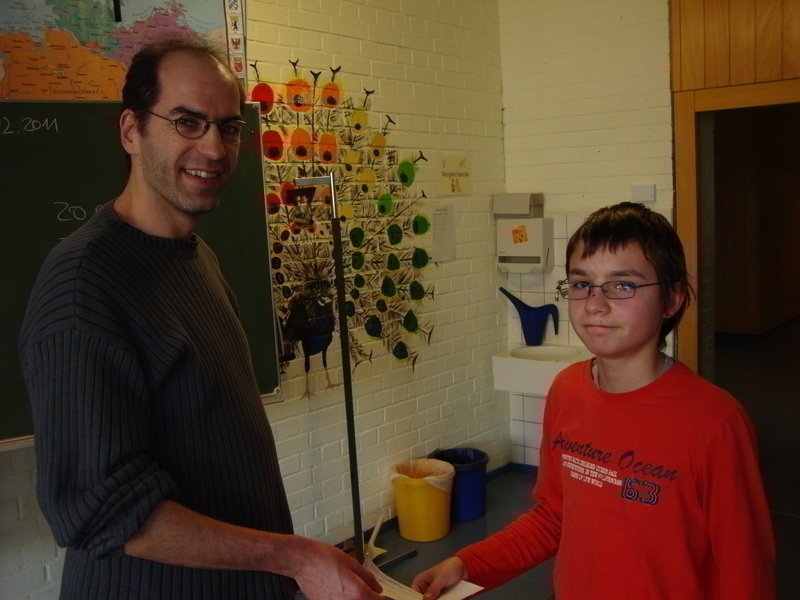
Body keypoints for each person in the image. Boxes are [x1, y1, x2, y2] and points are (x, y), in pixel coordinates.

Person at [18, 38, 383, 600]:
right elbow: (103, 508)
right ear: (131, 131)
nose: (214, 148)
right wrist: (296, 557)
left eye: (228, 127)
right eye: (187, 122)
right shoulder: (83, 286)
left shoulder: (197, 257)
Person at [412, 202, 775, 599]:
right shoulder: (567, 390)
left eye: (623, 285)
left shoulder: (716, 422)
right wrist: (467, 564)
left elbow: (744, 572)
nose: (595, 304)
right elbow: (555, 517)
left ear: (671, 299)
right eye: (582, 284)